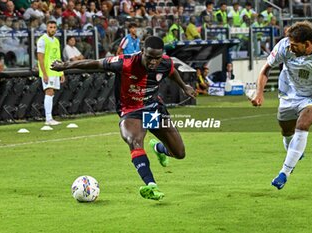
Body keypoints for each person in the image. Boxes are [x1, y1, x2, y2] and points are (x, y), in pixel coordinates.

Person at [51, 36, 196, 200]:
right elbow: (95, 63)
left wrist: (184, 86)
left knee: (179, 153)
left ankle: (159, 149)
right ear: (142, 52)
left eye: (157, 58)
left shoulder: (165, 62)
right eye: (149, 58)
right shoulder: (125, 62)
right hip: (131, 111)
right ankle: (151, 185)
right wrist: (65, 65)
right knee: (135, 141)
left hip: (153, 109)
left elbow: (172, 72)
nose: (153, 62)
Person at [251, 21, 312, 190]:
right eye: (290, 44)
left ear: (308, 44)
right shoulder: (284, 46)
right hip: (289, 95)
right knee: (286, 131)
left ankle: (284, 173)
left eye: (295, 46)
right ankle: (295, 149)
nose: (291, 48)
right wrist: (259, 92)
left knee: (303, 124)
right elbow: (266, 69)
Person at [37, 20, 65, 126]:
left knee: (51, 93)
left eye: (54, 27)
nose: (52, 29)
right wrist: (44, 73)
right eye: (50, 27)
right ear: (46, 28)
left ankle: (50, 118)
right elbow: (40, 58)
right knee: (49, 92)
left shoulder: (56, 41)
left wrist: (61, 72)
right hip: (47, 71)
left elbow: (58, 58)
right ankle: (48, 119)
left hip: (55, 71)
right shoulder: (42, 40)